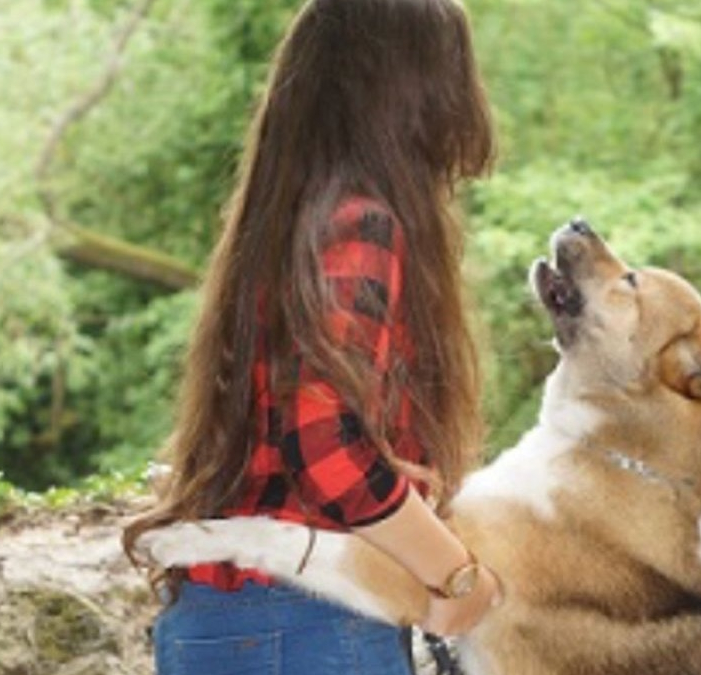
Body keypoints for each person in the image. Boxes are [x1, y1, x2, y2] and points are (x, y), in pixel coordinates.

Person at [122, 0, 501, 673]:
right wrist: (457, 575)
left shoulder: (288, 222)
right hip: (306, 625)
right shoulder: (361, 224)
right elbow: (327, 449)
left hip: (224, 624)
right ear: (413, 90)